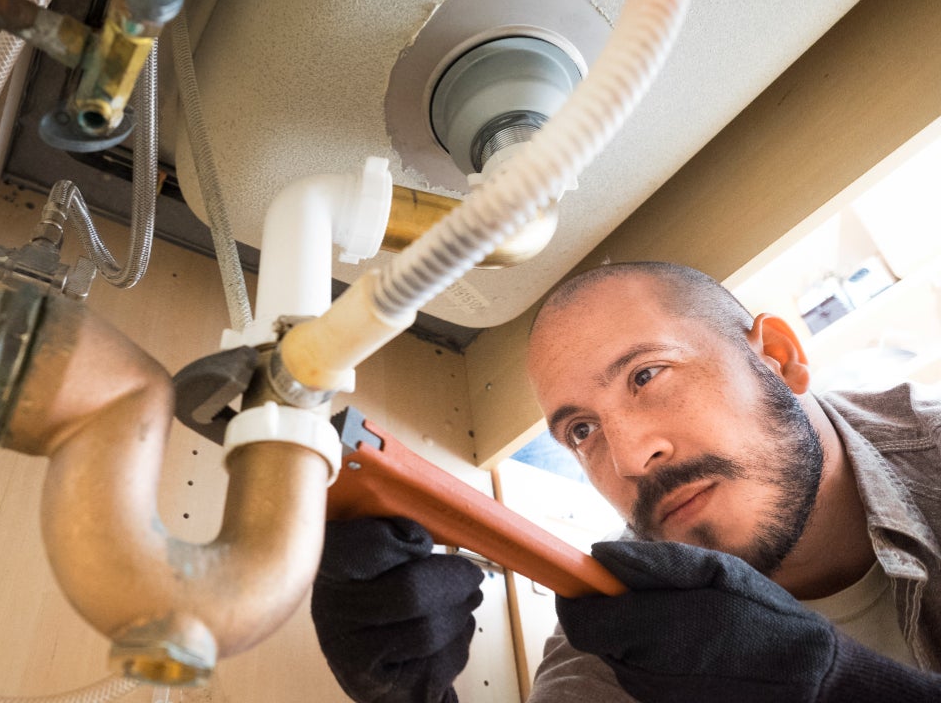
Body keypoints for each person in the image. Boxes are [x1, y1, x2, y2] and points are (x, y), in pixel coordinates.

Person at [310, 261, 941, 702]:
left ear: (777, 357)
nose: (634, 459)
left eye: (647, 375)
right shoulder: (620, 628)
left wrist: (832, 685)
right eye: (582, 431)